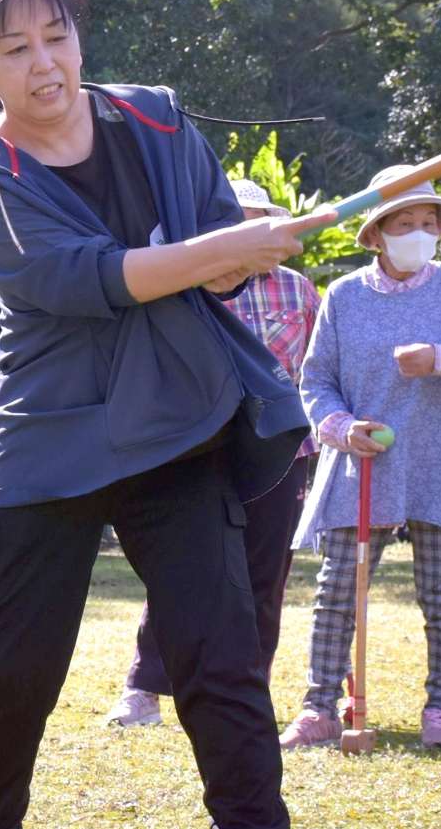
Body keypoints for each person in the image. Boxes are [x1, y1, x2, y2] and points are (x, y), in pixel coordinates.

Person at [0, 0, 328, 829]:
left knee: (219, 651)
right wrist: (227, 249)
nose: (46, 64)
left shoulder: (159, 121)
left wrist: (250, 239)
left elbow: (218, 255)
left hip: (178, 424)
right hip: (53, 440)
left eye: (59, 37)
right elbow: (103, 279)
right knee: (10, 664)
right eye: (17, 48)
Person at [282, 166, 441, 751]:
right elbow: (315, 382)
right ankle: (320, 710)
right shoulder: (343, 297)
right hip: (362, 464)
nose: (419, 232)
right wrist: (341, 428)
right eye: (405, 222)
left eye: (427, 222)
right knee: (337, 593)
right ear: (376, 234)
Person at [104, 179, 320, 729]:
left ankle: (249, 692)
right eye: (231, 223)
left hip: (281, 448)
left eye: (254, 222)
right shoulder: (182, 282)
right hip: (198, 444)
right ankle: (144, 689)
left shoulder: (301, 292)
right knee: (178, 567)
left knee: (264, 574)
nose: (243, 233)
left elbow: (318, 371)